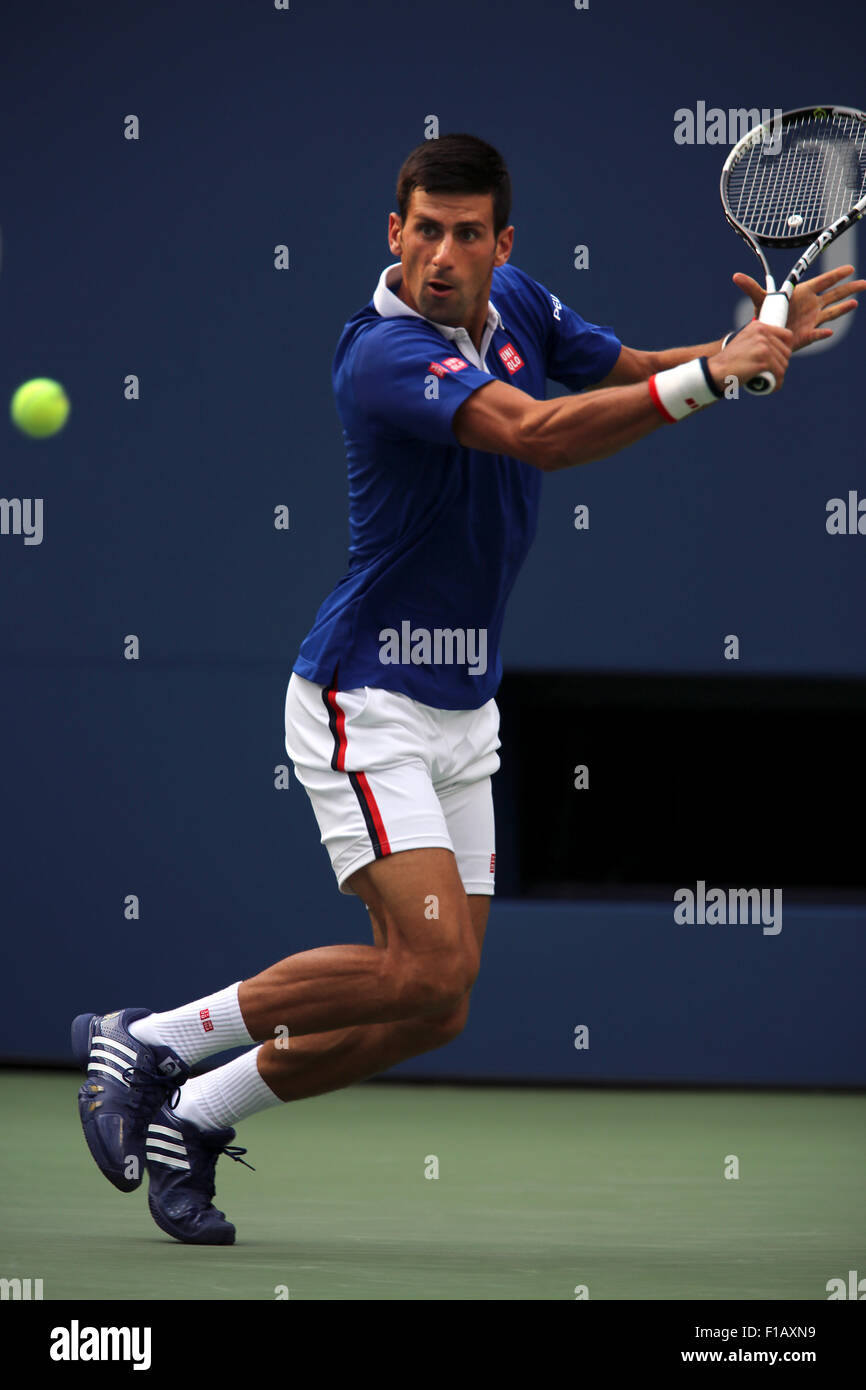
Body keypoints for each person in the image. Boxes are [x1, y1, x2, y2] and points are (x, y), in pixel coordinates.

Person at [72, 133, 863, 1244]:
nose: (441, 255)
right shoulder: (380, 355)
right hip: (365, 699)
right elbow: (534, 434)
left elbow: (623, 366)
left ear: (501, 245)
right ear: (392, 235)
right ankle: (150, 1039)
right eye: (422, 231)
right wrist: (709, 380)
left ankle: (197, 1112)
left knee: (433, 1006)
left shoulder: (520, 303)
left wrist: (745, 346)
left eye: (465, 234)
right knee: (427, 956)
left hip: (461, 710)